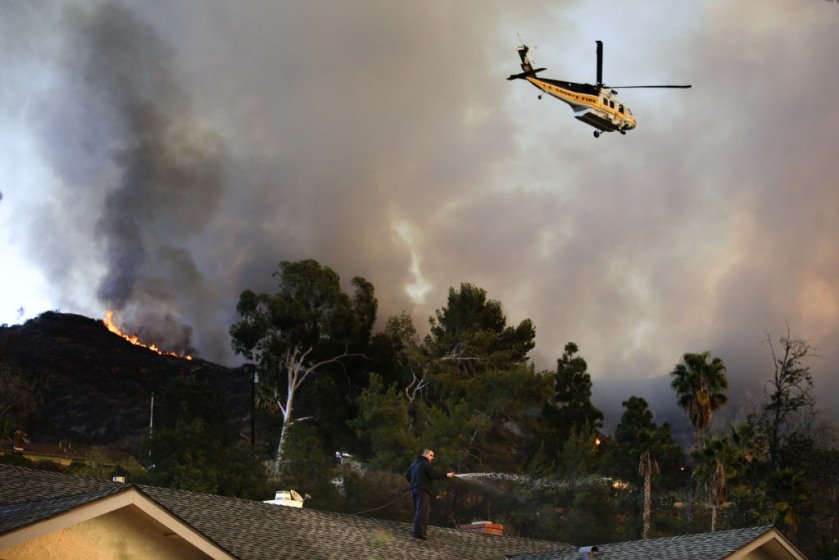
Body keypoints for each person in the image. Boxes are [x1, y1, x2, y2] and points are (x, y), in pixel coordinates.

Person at [404, 449, 455, 540]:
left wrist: (414, 483)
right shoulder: (426, 463)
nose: (432, 458)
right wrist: (447, 475)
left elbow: (407, 475)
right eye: (431, 455)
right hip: (422, 490)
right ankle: (419, 533)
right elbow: (434, 475)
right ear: (426, 455)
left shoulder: (414, 464)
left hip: (414, 490)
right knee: (423, 511)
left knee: (419, 510)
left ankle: (418, 532)